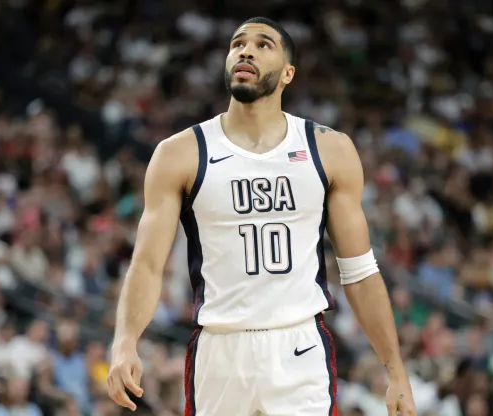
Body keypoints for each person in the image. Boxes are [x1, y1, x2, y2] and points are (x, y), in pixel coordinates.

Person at [108, 16, 417, 416]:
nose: (246, 50)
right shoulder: (180, 152)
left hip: (299, 345)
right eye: (237, 44)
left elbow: (358, 271)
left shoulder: (329, 149)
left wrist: (396, 369)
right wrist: (125, 342)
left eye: (263, 44)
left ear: (289, 73)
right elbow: (148, 265)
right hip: (220, 347)